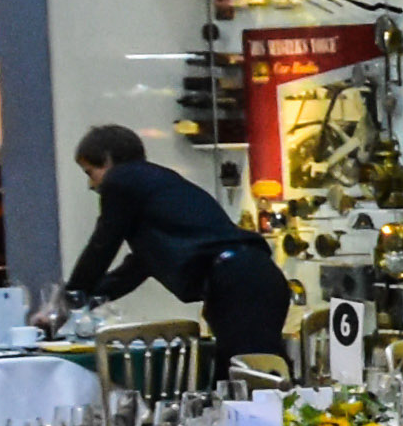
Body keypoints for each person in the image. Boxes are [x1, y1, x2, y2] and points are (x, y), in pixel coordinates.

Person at [58, 124, 291, 367]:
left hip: (235, 283)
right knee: (256, 374)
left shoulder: (121, 179)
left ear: (107, 159)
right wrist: (90, 298)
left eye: (90, 172)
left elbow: (103, 244)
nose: (91, 185)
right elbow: (137, 267)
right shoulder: (158, 187)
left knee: (248, 380)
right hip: (254, 276)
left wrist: (70, 298)